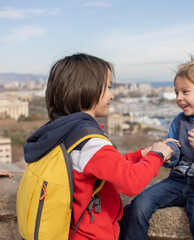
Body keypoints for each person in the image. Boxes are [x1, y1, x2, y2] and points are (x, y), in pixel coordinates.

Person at [23, 53, 173, 240]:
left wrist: (141, 154)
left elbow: (104, 167)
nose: (112, 95)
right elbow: (130, 182)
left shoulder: (64, 131)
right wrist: (158, 155)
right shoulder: (90, 142)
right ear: (88, 88)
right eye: (108, 87)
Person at [120, 55, 194, 240]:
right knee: (139, 204)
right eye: (176, 92)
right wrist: (170, 153)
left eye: (185, 92)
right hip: (177, 180)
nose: (178, 98)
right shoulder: (180, 120)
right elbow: (174, 144)